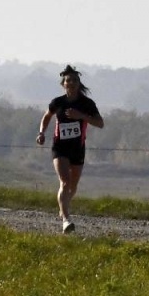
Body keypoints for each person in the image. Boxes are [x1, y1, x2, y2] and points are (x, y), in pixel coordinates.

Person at [36, 65, 104, 233]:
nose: (71, 83)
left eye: (74, 80)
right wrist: (41, 133)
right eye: (68, 80)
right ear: (63, 84)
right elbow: (46, 116)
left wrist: (82, 116)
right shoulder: (57, 102)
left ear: (79, 83)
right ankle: (66, 220)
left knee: (73, 187)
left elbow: (100, 123)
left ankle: (63, 206)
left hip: (78, 148)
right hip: (60, 147)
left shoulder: (87, 104)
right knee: (65, 182)